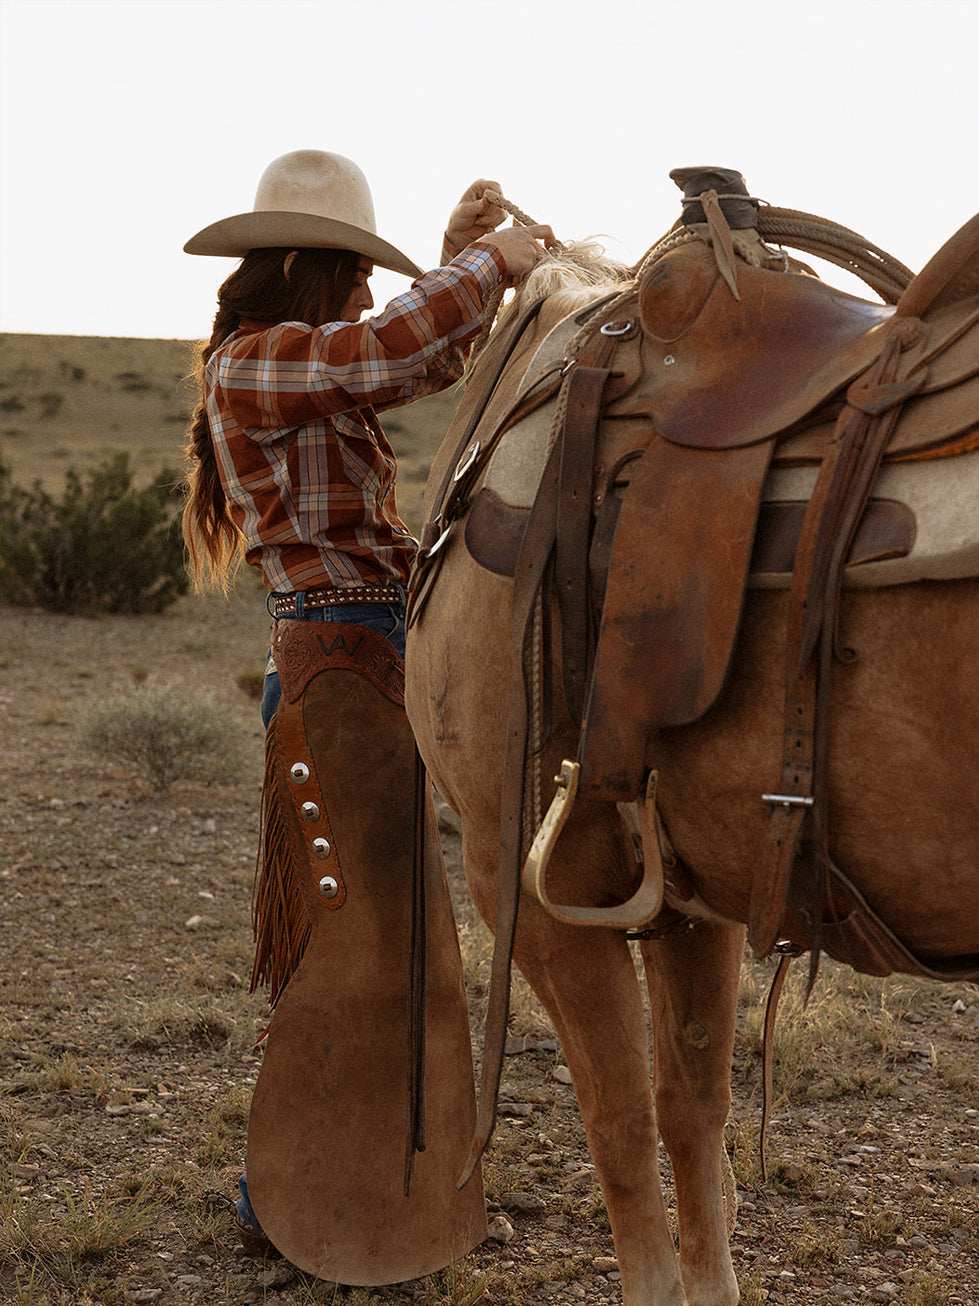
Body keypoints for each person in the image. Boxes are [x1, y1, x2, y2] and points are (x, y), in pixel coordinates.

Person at [181, 150, 552, 1280]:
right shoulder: (254, 366)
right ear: (303, 269)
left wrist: (455, 270)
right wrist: (493, 262)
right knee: (357, 938)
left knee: (370, 932)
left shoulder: (281, 363)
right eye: (350, 279)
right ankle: (301, 1192)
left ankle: (315, 1188)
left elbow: (402, 358)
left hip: (353, 655)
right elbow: (383, 351)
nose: (359, 298)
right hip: (346, 658)